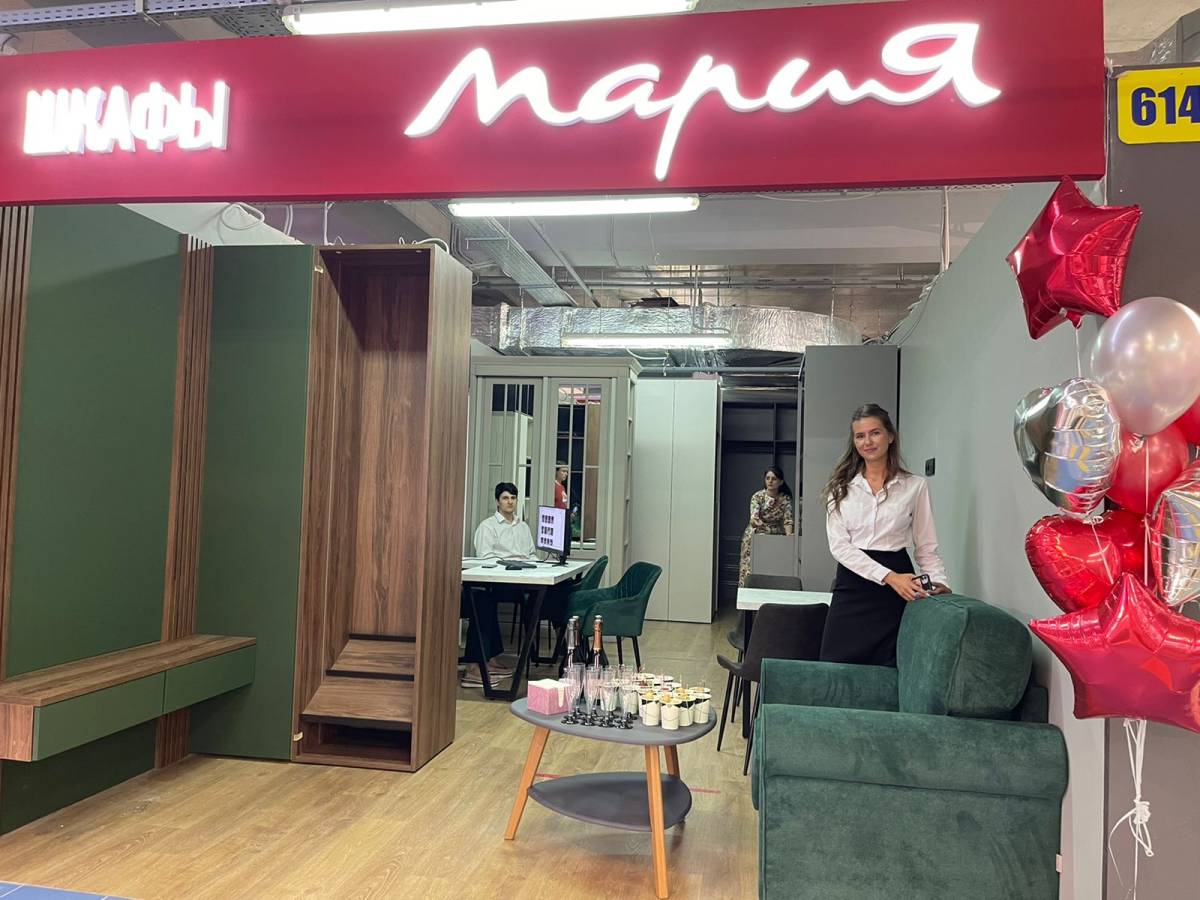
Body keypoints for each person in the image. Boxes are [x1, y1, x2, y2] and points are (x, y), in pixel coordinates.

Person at [818, 403, 949, 668]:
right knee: (834, 666)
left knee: (888, 668)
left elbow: (926, 546)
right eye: (860, 436)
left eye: (875, 433)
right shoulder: (840, 488)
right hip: (854, 584)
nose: (867, 441)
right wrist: (889, 577)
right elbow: (840, 547)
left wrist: (938, 582)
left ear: (890, 436)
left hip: (897, 589)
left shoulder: (915, 486)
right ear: (854, 442)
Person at [462, 482, 534, 688]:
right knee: (484, 601)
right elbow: (485, 558)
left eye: (513, 498)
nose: (510, 502)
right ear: (497, 502)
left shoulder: (523, 527)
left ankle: (490, 659)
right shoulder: (487, 527)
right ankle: (477, 665)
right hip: (497, 580)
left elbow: (531, 554)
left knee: (550, 593)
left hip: (523, 579)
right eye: (505, 498)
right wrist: (510, 562)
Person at [738, 466, 795, 586]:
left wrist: (789, 535)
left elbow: (788, 520)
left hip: (775, 537)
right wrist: (757, 522)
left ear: (781, 482)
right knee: (749, 569)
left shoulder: (785, 499)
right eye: (767, 478)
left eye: (774, 479)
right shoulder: (758, 496)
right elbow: (754, 517)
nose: (770, 481)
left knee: (772, 568)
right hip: (756, 535)